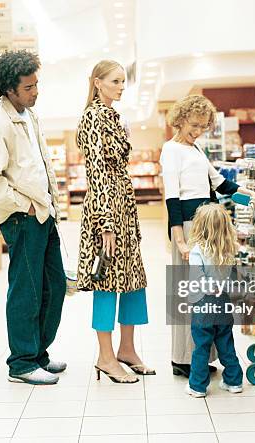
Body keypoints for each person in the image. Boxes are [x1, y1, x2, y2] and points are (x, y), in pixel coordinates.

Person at [0, 51, 66, 385]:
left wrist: (52, 204)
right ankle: (22, 363)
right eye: (28, 87)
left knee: (53, 286)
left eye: (36, 84)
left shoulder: (29, 116)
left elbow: (38, 164)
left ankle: (38, 353)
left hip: (44, 214)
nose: (35, 92)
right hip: (22, 219)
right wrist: (19, 205)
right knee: (26, 291)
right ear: (9, 89)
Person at [160, 95, 255, 378]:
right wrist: (178, 239)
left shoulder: (195, 150)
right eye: (194, 125)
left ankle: (202, 355)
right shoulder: (171, 150)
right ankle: (183, 359)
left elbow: (220, 184)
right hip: (190, 228)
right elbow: (172, 198)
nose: (198, 131)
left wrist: (249, 196)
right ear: (180, 119)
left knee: (210, 295)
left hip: (209, 228)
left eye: (203, 127)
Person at [76, 60, 153, 384]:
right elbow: (97, 172)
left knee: (134, 281)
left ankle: (128, 349)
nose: (122, 86)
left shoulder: (113, 116)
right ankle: (105, 357)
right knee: (106, 283)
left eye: (123, 81)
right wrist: (105, 222)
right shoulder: (93, 117)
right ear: (98, 82)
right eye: (116, 81)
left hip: (124, 209)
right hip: (106, 212)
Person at [184, 203, 243, 397]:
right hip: (223, 303)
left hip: (204, 304)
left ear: (199, 226)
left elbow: (197, 279)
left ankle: (197, 386)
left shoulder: (197, 251)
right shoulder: (230, 249)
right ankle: (234, 382)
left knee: (201, 346)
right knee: (226, 342)